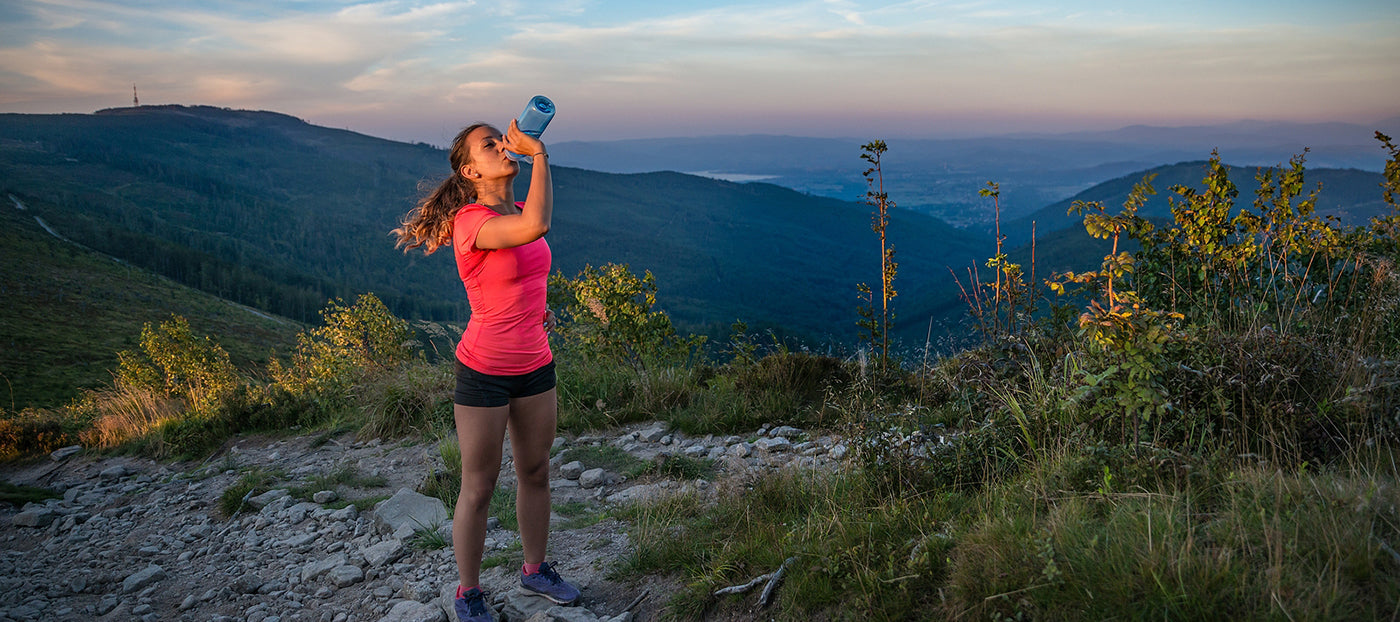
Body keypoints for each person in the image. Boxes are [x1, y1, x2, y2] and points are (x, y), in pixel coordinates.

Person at [392, 119, 580, 622]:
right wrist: (538, 155)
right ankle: (468, 592)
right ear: (471, 172)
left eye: (502, 140)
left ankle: (534, 570)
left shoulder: (516, 210)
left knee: (536, 470)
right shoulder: (471, 222)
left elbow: (525, 268)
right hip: (484, 371)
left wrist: (537, 309)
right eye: (489, 144)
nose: (501, 147)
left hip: (535, 362)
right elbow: (537, 227)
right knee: (479, 485)